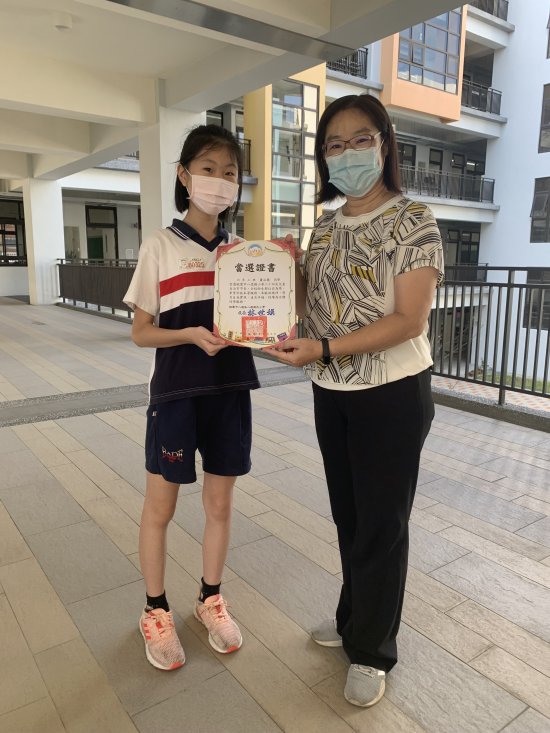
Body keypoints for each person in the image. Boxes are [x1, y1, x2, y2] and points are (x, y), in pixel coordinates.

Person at [265, 94, 444, 707]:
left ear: (384, 143)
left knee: (383, 525)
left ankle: (372, 649)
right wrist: (287, 271)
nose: (347, 153)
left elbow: (409, 320)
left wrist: (323, 348)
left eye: (360, 139)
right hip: (332, 391)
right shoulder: (324, 227)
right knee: (349, 516)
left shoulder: (413, 219)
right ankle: (351, 621)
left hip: (392, 394)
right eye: (334, 145)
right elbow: (308, 306)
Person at [124, 124, 260, 671]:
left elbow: (264, 322)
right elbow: (141, 332)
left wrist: (285, 273)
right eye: (208, 169)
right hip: (177, 395)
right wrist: (188, 335)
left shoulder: (243, 253)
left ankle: (210, 598)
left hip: (230, 392)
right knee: (161, 506)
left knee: (220, 505)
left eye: (229, 172)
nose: (219, 181)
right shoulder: (160, 245)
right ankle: (155, 609)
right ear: (184, 176)